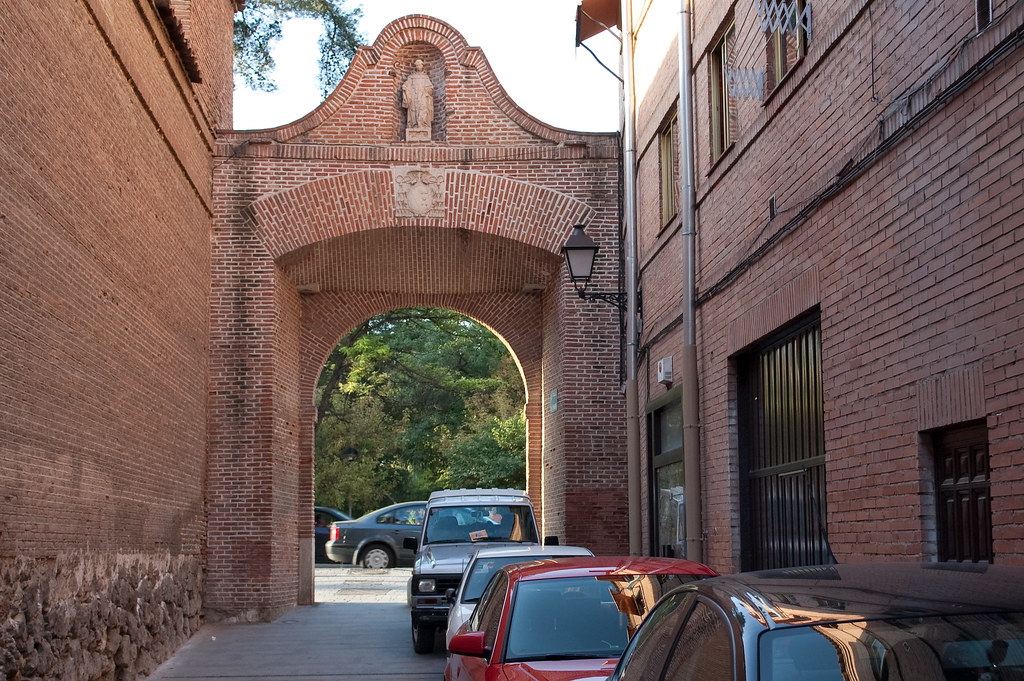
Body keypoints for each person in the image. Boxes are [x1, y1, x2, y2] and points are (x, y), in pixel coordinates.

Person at [402, 59, 434, 132]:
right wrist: (405, 88)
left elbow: (430, 87)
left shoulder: (425, 77)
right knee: (413, 110)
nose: (418, 66)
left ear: (422, 66)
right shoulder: (411, 77)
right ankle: (414, 125)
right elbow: (407, 85)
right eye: (417, 65)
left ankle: (423, 125)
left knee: (423, 109)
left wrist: (428, 90)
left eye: (420, 65)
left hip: (423, 95)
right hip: (413, 96)